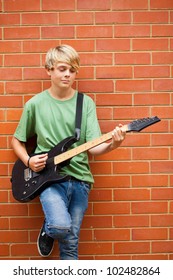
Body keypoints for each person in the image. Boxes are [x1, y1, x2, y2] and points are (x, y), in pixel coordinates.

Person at [11, 45, 126, 260]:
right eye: (62, 69)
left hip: (81, 179)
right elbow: (16, 140)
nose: (67, 75)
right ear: (49, 70)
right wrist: (28, 161)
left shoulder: (85, 103)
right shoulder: (35, 104)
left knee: (71, 245)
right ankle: (49, 228)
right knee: (59, 226)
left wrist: (113, 144)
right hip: (48, 180)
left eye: (72, 71)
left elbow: (93, 146)